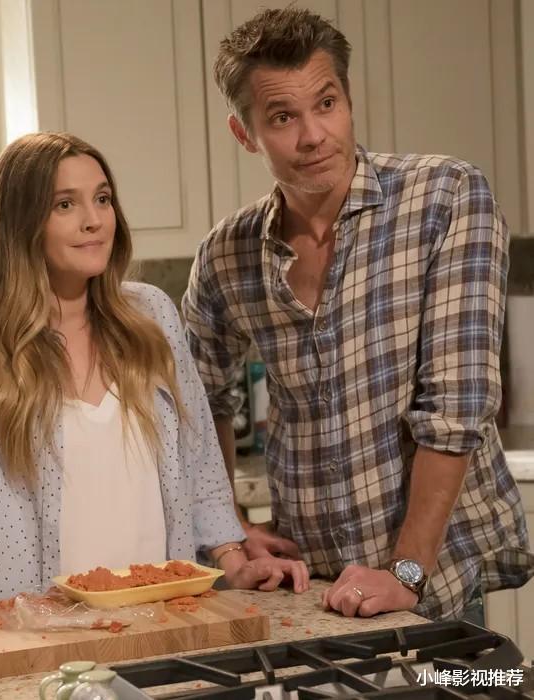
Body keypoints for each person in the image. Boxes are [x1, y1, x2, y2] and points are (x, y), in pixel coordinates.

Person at [181, 7, 534, 621]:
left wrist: (405, 573)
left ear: (348, 98)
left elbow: (455, 408)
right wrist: (229, 532)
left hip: (433, 582)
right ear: (245, 133)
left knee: (490, 673)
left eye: (327, 103)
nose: (314, 135)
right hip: (313, 587)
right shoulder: (227, 253)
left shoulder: (445, 197)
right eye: (283, 117)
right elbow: (194, 399)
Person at [0, 132, 310, 624]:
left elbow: (200, 465)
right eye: (65, 204)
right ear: (21, 222)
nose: (94, 220)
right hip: (33, 634)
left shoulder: (152, 317)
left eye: (102, 199)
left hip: (162, 622)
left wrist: (234, 561)